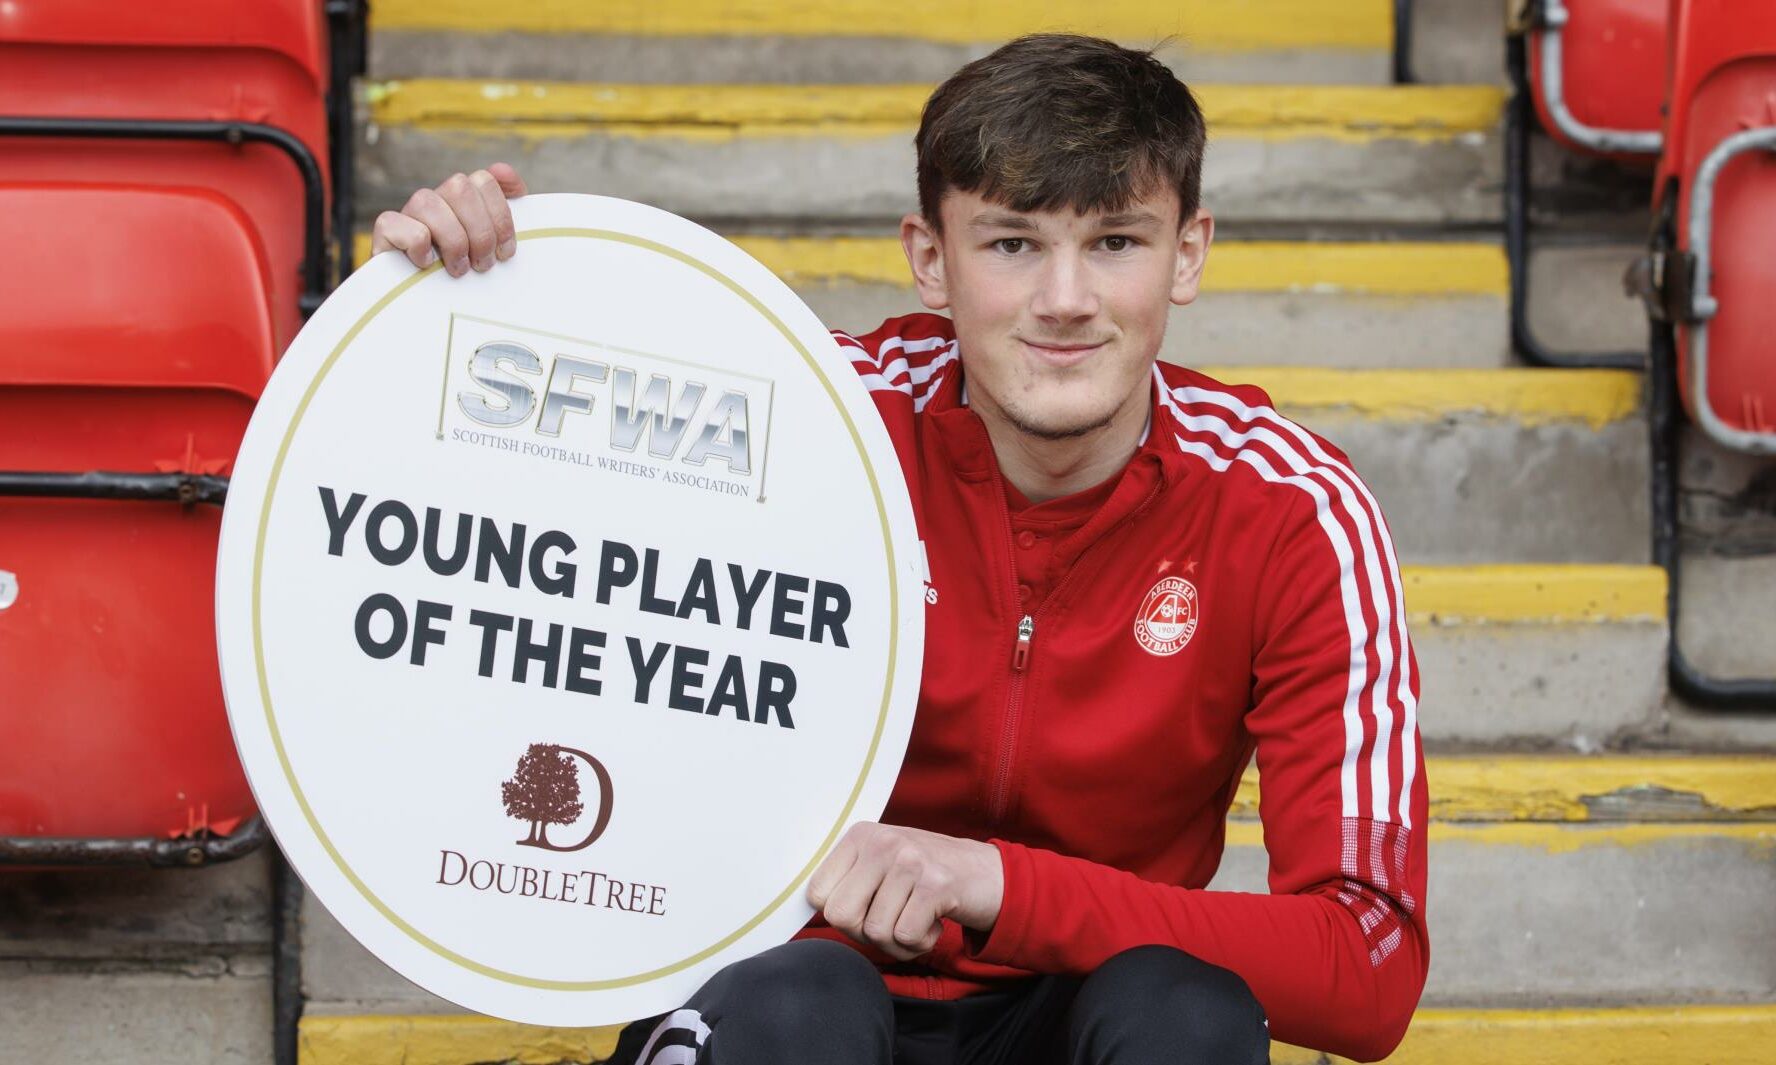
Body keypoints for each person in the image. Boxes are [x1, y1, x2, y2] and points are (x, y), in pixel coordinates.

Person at [371, 33, 1428, 1065]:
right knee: (803, 1000)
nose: (1064, 302)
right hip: (792, 987)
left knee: (1182, 1015)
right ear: (932, 258)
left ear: (1186, 254)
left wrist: (998, 885)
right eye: (1012, 243)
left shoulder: (1290, 513)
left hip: (1075, 1006)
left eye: (1115, 241)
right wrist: (455, 296)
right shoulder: (802, 420)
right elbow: (493, 516)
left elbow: (1368, 965)